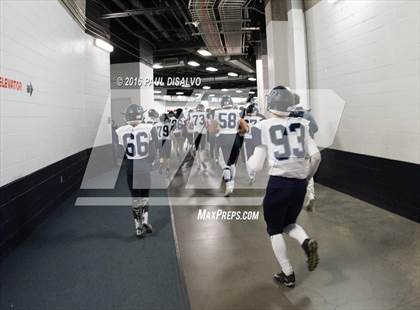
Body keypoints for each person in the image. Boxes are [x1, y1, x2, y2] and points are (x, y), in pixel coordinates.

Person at [247, 86, 321, 288]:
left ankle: (288, 273)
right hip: (299, 184)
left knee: (274, 229)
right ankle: (306, 242)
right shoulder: (303, 124)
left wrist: (250, 166)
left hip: (278, 183)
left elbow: (256, 165)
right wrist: (306, 179)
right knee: (288, 223)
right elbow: (316, 158)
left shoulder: (262, 126)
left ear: (270, 103)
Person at [115, 104, 158, 238]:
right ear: (141, 115)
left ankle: (138, 227)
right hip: (144, 164)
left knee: (135, 198)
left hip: (131, 165)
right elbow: (154, 148)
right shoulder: (150, 128)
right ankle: (145, 220)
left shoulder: (120, 131)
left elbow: (119, 154)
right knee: (145, 195)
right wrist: (149, 162)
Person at [210, 95, 248, 196]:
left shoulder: (217, 112)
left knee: (224, 163)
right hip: (235, 138)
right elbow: (245, 128)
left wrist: (217, 130)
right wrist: (238, 132)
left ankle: (228, 184)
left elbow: (212, 130)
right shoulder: (236, 112)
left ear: (222, 103)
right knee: (232, 163)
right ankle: (232, 182)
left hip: (222, 138)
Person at [288, 98, 319, 211]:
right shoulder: (307, 114)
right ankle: (310, 195)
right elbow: (315, 128)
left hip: (293, 147)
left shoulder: (289, 114)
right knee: (307, 169)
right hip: (306, 146)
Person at [243, 103, 265, 184]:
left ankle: (251, 175)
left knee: (248, 158)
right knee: (256, 157)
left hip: (247, 139)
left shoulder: (244, 118)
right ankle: (254, 172)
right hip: (257, 140)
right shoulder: (261, 118)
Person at [188, 103, 209, 172]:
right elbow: (206, 125)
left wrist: (195, 126)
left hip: (196, 132)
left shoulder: (192, 114)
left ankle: (198, 164)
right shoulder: (205, 114)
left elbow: (190, 126)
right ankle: (202, 160)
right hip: (203, 133)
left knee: (197, 149)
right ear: (202, 108)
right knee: (203, 149)